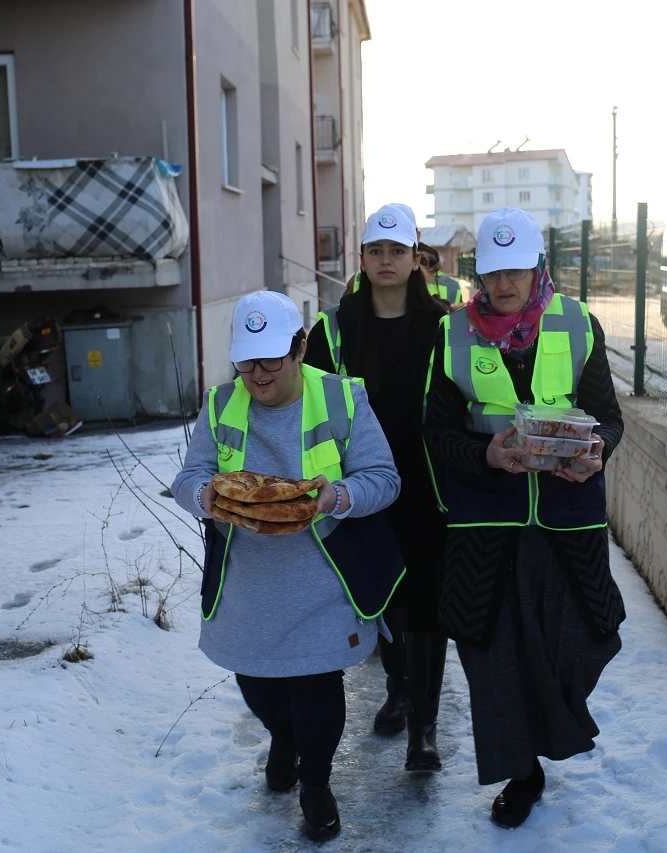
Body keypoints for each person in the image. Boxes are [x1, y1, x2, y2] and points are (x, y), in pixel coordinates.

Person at [171, 290, 404, 842]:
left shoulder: (343, 398)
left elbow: (384, 478)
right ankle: (284, 737)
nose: (257, 374)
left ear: (300, 348)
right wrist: (205, 496)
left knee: (316, 683)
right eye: (246, 361)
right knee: (257, 682)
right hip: (248, 580)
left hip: (323, 575)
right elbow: (189, 477)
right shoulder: (219, 403)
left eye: (271, 359)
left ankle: (316, 784)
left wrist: (336, 496)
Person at [423, 208, 626, 828]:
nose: (503, 284)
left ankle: (555, 722)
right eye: (492, 273)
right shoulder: (452, 333)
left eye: (515, 271)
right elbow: (435, 432)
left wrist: (596, 451)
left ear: (539, 268)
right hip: (487, 523)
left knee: (585, 637)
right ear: (478, 275)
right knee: (491, 652)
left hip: (567, 519)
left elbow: (609, 418)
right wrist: (484, 455)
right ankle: (521, 771)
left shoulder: (578, 323)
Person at [305, 203, 451, 772]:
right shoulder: (334, 329)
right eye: (375, 251)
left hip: (429, 485)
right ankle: (399, 686)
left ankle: (424, 729)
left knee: (427, 602)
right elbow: (309, 403)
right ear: (362, 259)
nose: (386, 260)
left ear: (416, 259)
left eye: (397, 251)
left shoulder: (445, 327)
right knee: (383, 594)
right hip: (364, 485)